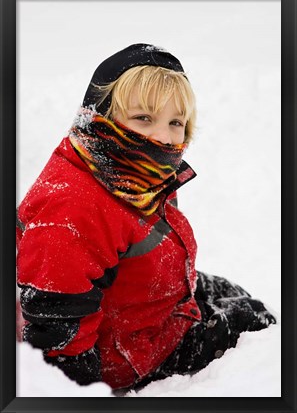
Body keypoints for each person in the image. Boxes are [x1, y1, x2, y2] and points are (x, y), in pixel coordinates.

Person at [16, 43, 276, 391]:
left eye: (175, 123)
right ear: (103, 114)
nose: (163, 137)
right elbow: (58, 336)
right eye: (144, 118)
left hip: (150, 302)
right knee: (256, 320)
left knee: (237, 295)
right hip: (128, 354)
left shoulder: (132, 170)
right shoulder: (73, 207)